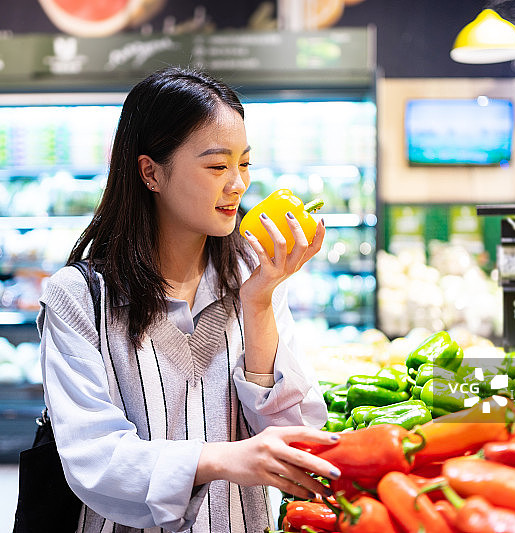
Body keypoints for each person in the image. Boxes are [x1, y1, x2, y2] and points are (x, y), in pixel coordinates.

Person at [37, 66, 341, 533]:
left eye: (244, 164)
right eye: (218, 166)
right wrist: (221, 459)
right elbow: (94, 457)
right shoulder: (78, 298)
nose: (237, 185)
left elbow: (297, 433)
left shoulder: (251, 277)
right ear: (151, 172)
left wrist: (258, 302)